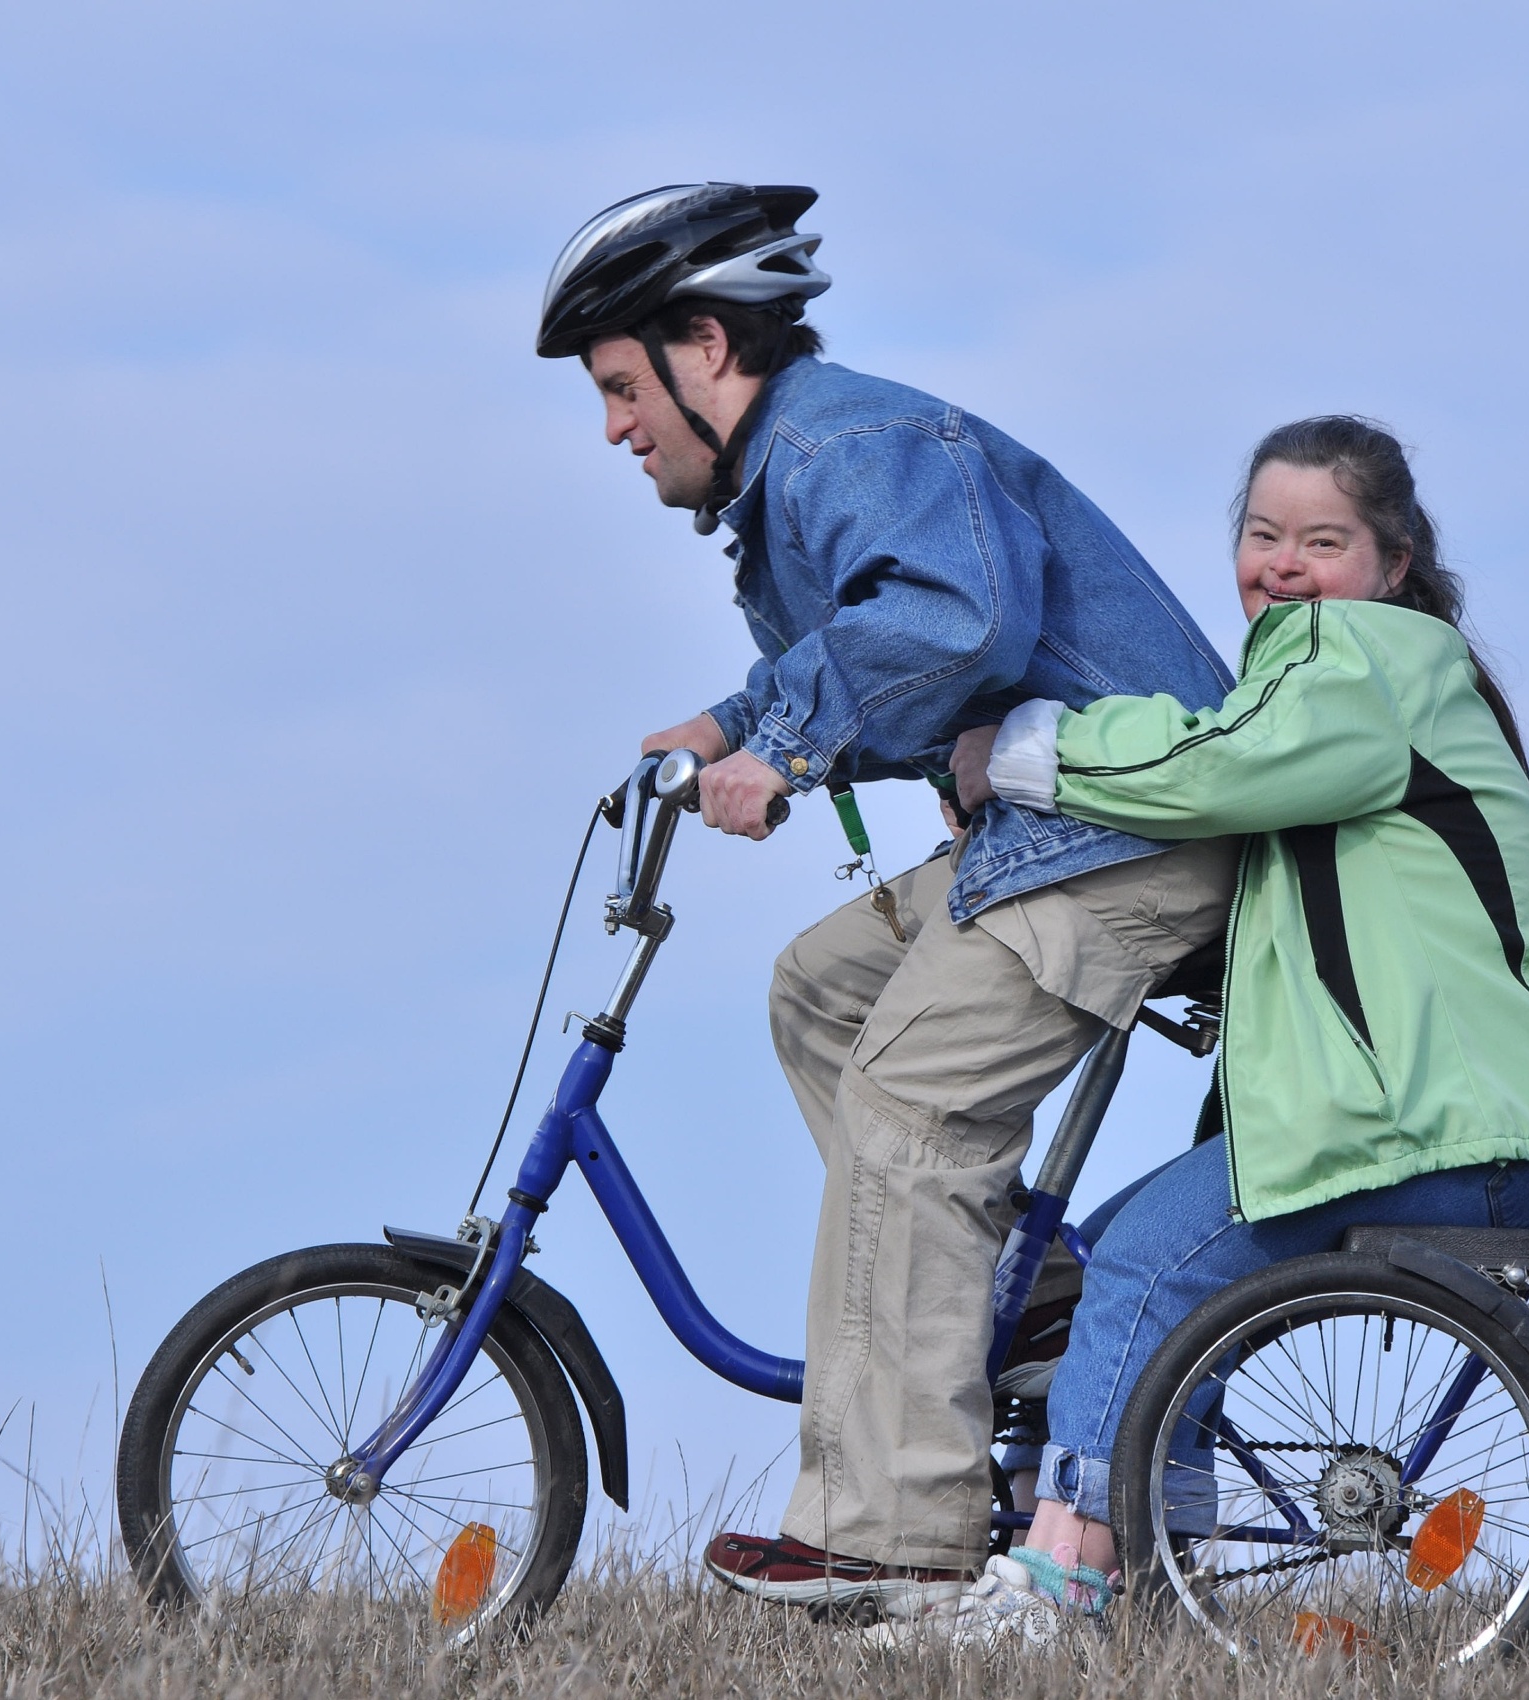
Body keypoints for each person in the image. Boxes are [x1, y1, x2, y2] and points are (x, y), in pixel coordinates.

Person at [536, 184, 1242, 1614]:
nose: (616, 428)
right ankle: (1032, 1313)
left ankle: (892, 1536)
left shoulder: (849, 440)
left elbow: (952, 614)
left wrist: (785, 743)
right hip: (1047, 839)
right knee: (822, 989)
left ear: (705, 344)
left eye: (622, 388)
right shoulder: (796, 475)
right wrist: (729, 726)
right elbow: (886, 634)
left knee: (911, 1110)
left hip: (1131, 833)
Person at [909, 416, 1529, 1645]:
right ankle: (1161, 1544)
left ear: (1391, 560)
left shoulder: (1363, 660)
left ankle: (1063, 1572)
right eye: (1261, 534)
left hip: (1434, 1127)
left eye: (1322, 539)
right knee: (1129, 1235)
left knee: (1136, 1272)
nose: (1282, 563)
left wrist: (1031, 749)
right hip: (1474, 1121)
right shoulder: (1381, 670)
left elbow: (1221, 761)